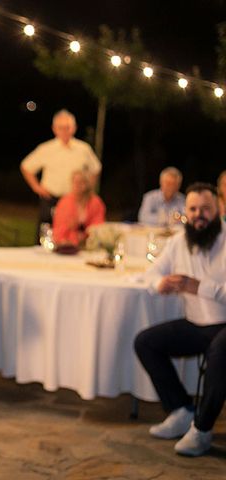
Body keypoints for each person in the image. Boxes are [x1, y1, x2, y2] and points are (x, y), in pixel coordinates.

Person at [134, 182, 226, 457]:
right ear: (185, 211)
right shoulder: (178, 241)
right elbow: (149, 274)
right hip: (196, 325)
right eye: (193, 209)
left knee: (221, 351)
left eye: (206, 209)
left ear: (219, 208)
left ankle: (202, 429)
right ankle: (181, 410)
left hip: (224, 326)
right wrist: (160, 283)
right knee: (146, 342)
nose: (199, 215)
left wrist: (199, 287)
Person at [20, 109, 101, 243]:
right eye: (60, 128)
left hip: (73, 201)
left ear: (74, 128)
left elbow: (96, 169)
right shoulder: (46, 149)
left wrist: (87, 191)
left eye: (67, 127)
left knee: (70, 236)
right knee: (45, 236)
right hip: (50, 198)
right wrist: (37, 187)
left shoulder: (83, 149)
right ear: (54, 129)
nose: (64, 131)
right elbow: (26, 167)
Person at [52, 169, 105, 247]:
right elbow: (58, 227)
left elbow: (98, 226)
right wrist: (70, 229)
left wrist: (86, 234)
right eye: (75, 182)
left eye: (81, 182)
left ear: (87, 184)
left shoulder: (95, 202)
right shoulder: (65, 202)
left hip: (90, 244)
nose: (77, 185)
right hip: (66, 244)